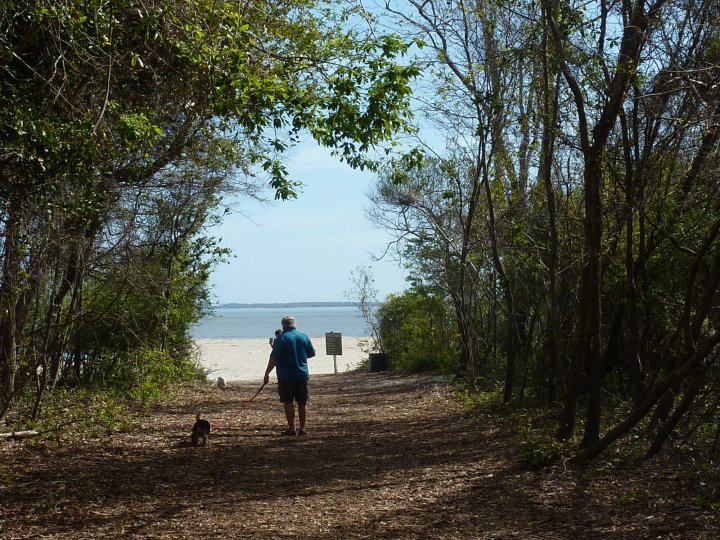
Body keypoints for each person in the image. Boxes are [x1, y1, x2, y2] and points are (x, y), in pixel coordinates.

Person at [263, 315, 315, 436]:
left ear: (283, 325)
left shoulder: (282, 339)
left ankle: (292, 429)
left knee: (288, 402)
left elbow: (274, 358)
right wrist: (300, 357)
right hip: (302, 374)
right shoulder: (304, 336)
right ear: (294, 324)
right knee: (302, 402)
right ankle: (303, 428)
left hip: (286, 375)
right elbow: (311, 353)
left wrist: (267, 373)